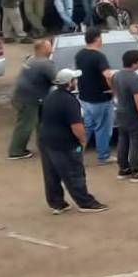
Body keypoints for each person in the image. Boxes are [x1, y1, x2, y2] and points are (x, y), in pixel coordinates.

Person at [38, 68, 108, 214]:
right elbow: (76, 126)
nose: (76, 82)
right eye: (74, 80)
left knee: (51, 174)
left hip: (45, 141)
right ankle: (86, 203)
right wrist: (83, 142)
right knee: (74, 172)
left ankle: (57, 204)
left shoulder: (50, 96)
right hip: (65, 144)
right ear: (69, 83)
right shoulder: (70, 101)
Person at [7, 40, 56, 159]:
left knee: (40, 121)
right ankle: (16, 151)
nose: (52, 49)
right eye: (49, 47)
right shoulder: (45, 64)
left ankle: (43, 145)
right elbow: (57, 79)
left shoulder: (31, 59)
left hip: (22, 96)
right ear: (43, 49)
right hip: (28, 99)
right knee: (25, 125)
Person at [74, 28, 115, 164]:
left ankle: (77, 154)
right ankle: (103, 156)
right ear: (97, 39)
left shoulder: (80, 54)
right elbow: (107, 75)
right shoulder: (99, 56)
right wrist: (113, 89)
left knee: (88, 128)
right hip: (100, 99)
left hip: (85, 98)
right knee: (102, 128)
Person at [113, 50, 138, 182]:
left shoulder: (117, 75)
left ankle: (123, 169)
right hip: (133, 116)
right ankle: (136, 170)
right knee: (137, 142)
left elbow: (116, 93)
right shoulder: (135, 78)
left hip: (121, 113)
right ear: (134, 63)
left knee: (123, 140)